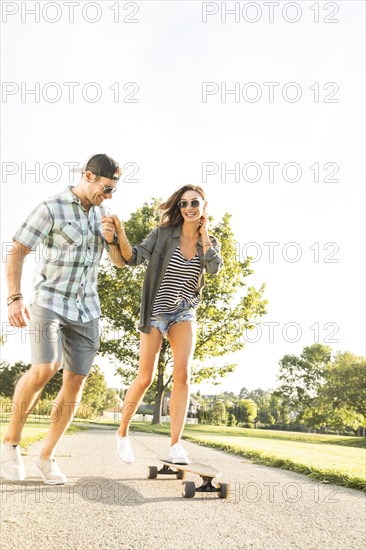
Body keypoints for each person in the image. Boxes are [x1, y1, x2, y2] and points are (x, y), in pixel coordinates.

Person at [1, 154, 126, 484]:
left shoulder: (105, 213)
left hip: (87, 308)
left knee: (76, 381)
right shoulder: (52, 206)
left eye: (114, 190)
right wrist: (14, 298)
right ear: (88, 175)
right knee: (45, 367)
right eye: (107, 188)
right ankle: (10, 444)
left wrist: (114, 238)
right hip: (50, 301)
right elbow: (17, 249)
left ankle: (47, 457)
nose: (110, 196)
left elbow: (117, 262)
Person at [102, 185, 223, 465]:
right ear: (178, 208)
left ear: (204, 207)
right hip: (156, 310)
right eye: (183, 204)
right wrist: (117, 235)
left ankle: (176, 445)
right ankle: (122, 434)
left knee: (182, 375)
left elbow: (214, 269)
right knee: (145, 377)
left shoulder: (210, 241)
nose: (188, 207)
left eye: (194, 202)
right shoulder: (163, 234)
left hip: (183, 311)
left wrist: (204, 236)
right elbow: (132, 258)